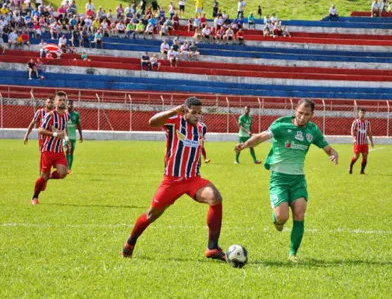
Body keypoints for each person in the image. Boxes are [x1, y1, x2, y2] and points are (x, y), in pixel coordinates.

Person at [122, 97, 226, 261]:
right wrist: (172, 111)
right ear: (185, 110)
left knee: (215, 198)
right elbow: (152, 122)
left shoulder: (201, 128)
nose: (197, 116)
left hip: (193, 179)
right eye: (194, 112)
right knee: (151, 215)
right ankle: (130, 242)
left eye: (200, 113)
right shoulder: (174, 121)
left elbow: (197, 149)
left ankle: (212, 248)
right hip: (172, 181)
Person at [235, 99, 339, 262]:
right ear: (295, 110)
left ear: (312, 115)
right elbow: (261, 137)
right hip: (279, 179)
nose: (303, 117)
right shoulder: (281, 125)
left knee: (299, 213)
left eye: (307, 114)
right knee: (282, 218)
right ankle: (277, 220)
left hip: (298, 180)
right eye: (300, 113)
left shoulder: (313, 131)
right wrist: (244, 145)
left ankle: (292, 254)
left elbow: (327, 148)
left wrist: (333, 153)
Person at [31, 91, 71, 205]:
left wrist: (67, 141)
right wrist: (55, 134)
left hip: (59, 151)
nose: (62, 102)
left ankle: (48, 178)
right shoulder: (50, 115)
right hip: (47, 150)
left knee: (63, 173)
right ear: (55, 102)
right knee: (43, 176)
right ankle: (34, 197)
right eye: (60, 100)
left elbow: (65, 130)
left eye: (64, 100)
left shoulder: (66, 115)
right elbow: (40, 130)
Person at [349, 108, 374, 175]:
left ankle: (362, 171)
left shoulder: (367, 123)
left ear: (365, 114)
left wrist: (371, 141)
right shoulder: (355, 122)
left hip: (365, 143)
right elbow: (352, 131)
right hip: (357, 142)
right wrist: (353, 138)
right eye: (360, 113)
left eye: (363, 113)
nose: (362, 114)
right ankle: (350, 167)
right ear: (358, 113)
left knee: (365, 156)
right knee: (356, 156)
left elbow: (369, 132)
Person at [64, 100, 83, 173]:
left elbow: (79, 125)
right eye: (68, 104)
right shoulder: (64, 113)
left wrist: (81, 135)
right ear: (66, 105)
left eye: (71, 104)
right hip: (65, 136)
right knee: (66, 150)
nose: (70, 105)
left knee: (71, 152)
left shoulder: (76, 114)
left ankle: (69, 168)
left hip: (73, 136)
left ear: (73, 105)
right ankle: (65, 168)